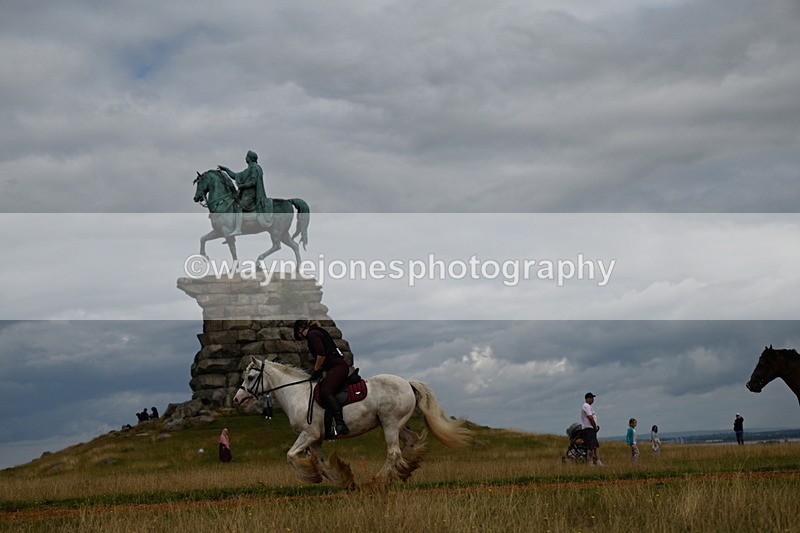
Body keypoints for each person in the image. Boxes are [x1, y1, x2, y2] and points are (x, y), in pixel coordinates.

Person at [293, 317, 351, 436]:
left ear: (300, 329)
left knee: (326, 391)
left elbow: (321, 354)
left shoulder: (312, 334)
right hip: (335, 367)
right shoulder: (318, 331)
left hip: (337, 367)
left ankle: (340, 424)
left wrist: (316, 370)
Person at [218, 150, 272, 226]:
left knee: (238, 206)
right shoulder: (248, 170)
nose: (245, 158)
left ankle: (238, 228)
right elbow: (235, 175)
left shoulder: (255, 168)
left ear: (250, 158)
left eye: (246, 157)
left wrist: (242, 186)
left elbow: (253, 182)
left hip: (251, 195)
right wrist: (226, 169)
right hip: (245, 194)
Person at [580, 392, 602, 466]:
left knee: (595, 446)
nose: (592, 399)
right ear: (587, 399)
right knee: (591, 446)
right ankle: (590, 463)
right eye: (591, 398)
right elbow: (590, 417)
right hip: (589, 429)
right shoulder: (586, 406)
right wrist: (595, 426)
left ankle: (598, 461)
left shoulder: (589, 406)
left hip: (591, 429)